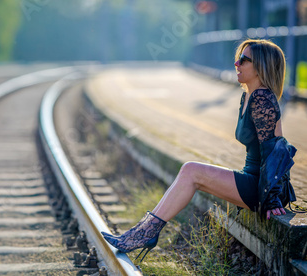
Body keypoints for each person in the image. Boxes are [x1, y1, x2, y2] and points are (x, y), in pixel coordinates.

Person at [101, 39, 297, 263]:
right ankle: (143, 232)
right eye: (238, 58)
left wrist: (272, 200)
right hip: (254, 179)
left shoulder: (262, 98)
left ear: (261, 66)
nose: (236, 63)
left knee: (191, 171)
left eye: (244, 60)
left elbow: (275, 150)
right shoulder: (249, 96)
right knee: (190, 172)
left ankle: (144, 234)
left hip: (263, 187)